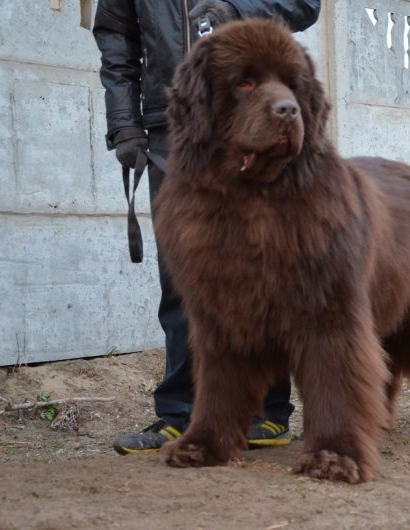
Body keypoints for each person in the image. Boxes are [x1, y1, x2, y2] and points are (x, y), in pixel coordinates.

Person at [93, 0, 321, 455]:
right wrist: (124, 125)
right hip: (176, 130)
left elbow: (305, 5)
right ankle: (181, 414)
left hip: (254, 120)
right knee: (185, 282)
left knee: (266, 276)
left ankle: (268, 414)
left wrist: (234, 6)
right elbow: (117, 42)